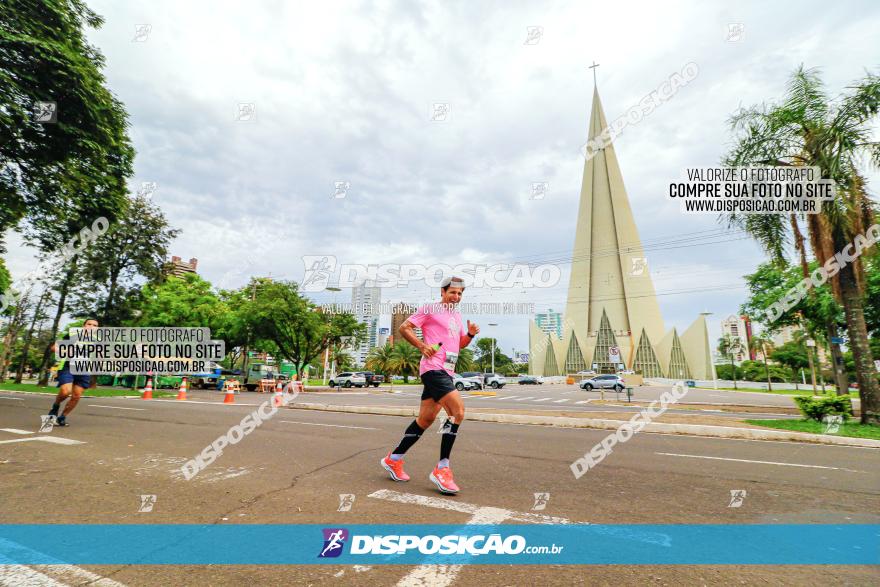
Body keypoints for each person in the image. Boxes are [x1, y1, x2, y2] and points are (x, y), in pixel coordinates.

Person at [380, 276, 479, 494]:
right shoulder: (430, 308)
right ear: (443, 292)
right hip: (433, 369)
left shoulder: (456, 314)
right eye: (452, 292)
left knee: (425, 420)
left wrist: (470, 334)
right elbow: (405, 328)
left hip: (447, 370)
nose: (456, 296)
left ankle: (394, 459)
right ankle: (442, 468)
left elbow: (459, 344)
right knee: (457, 412)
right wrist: (423, 346)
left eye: (460, 294)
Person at [47, 318, 99, 427]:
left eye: (94, 325)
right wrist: (65, 351)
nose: (91, 327)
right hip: (67, 366)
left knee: (76, 396)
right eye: (89, 324)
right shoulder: (72, 334)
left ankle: (62, 417)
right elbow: (54, 347)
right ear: (84, 325)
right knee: (66, 392)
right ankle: (55, 407)